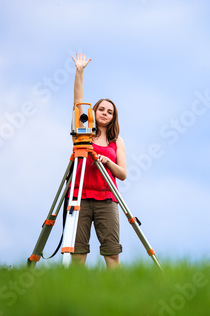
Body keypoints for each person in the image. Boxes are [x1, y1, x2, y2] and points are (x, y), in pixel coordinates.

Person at [69, 52, 127, 269]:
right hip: (80, 196)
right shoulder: (82, 133)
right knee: (78, 253)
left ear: (113, 117)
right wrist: (79, 72)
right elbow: (77, 103)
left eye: (109, 111)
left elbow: (123, 174)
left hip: (107, 199)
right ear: (94, 111)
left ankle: (116, 294)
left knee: (112, 252)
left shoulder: (117, 141)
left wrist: (107, 162)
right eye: (101, 109)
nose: (105, 113)